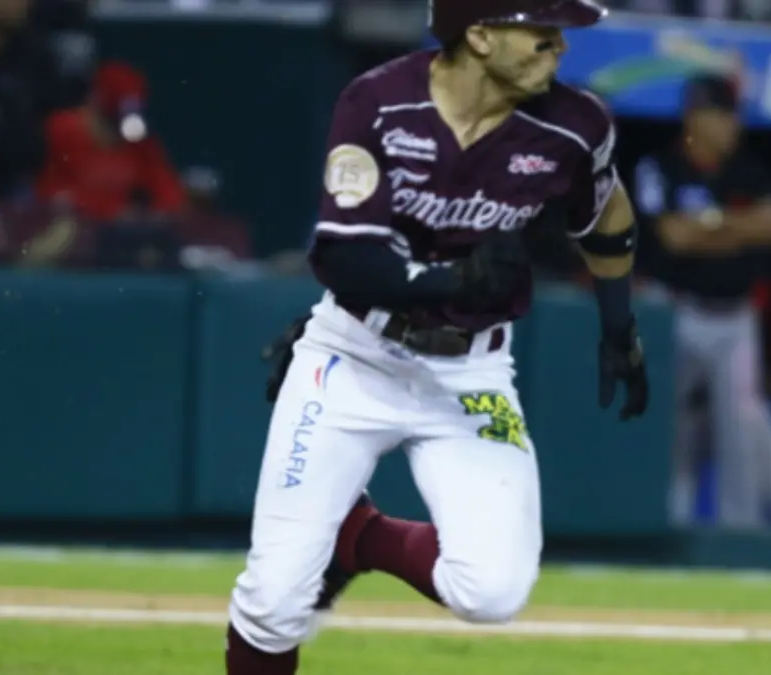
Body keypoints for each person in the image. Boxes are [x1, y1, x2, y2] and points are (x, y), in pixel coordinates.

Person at [224, 1, 649, 673]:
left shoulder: (576, 124)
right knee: (273, 602)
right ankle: (336, 548)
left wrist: (619, 326)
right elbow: (344, 257)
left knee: (493, 591)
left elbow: (606, 217)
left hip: (470, 371)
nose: (559, 46)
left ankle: (360, 537)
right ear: (478, 34)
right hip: (354, 353)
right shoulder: (379, 101)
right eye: (540, 31)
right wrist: (452, 281)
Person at [632, 74, 771, 532]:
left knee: (742, 431)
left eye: (734, 115)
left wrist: (709, 224)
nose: (734, 126)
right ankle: (663, 526)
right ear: (695, 117)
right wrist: (742, 228)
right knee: (671, 429)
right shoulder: (660, 167)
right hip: (677, 314)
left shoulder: (747, 170)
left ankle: (738, 534)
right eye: (723, 115)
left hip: (736, 319)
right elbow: (675, 237)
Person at [36, 61, 186, 223]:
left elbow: (168, 191)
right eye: (116, 114)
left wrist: (158, 213)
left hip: (120, 230)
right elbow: (51, 193)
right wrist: (111, 210)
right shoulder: (62, 129)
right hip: (70, 225)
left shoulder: (135, 137)